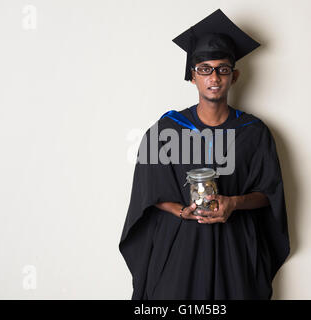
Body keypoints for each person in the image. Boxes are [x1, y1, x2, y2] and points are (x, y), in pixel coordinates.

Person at [119, 9, 290, 300]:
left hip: (234, 251)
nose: (214, 77)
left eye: (222, 69)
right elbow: (147, 195)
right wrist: (182, 211)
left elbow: (269, 193)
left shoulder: (254, 132)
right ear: (192, 77)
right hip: (181, 251)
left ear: (234, 76)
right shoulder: (165, 130)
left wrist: (233, 203)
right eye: (204, 69)